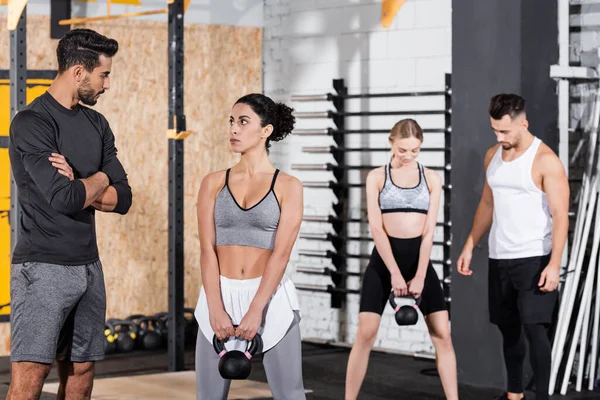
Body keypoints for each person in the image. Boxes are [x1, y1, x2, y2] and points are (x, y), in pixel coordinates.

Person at [7, 29, 132, 400]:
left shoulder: (97, 124)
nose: (106, 84)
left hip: (89, 266)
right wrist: (99, 178)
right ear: (79, 72)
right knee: (31, 374)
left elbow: (123, 197)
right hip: (43, 267)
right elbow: (63, 199)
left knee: (82, 369)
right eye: (103, 75)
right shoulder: (32, 122)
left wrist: (84, 180)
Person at [193, 93, 306, 399]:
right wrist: (215, 307)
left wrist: (257, 309)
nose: (234, 129)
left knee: (290, 394)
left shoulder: (288, 186)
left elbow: (281, 255)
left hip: (269, 297)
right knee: (208, 397)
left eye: (243, 122)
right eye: (231, 121)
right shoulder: (213, 182)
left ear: (266, 130)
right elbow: (206, 249)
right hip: (219, 294)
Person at [457, 94, 569, 400]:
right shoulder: (492, 155)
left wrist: (555, 263)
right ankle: (514, 394)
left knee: (535, 330)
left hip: (534, 257)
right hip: (500, 257)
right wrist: (470, 244)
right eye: (495, 129)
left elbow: (560, 215)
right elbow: (487, 203)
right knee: (508, 329)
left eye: (505, 131)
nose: (499, 136)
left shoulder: (545, 160)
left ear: (524, 124)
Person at [345, 119, 458, 400]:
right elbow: (376, 228)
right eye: (403, 150)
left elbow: (430, 231)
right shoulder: (377, 177)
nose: (408, 156)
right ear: (391, 143)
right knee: (366, 333)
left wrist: (420, 275)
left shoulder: (432, 178)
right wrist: (394, 273)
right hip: (384, 263)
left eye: (415, 151)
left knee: (442, 334)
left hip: (418, 260)